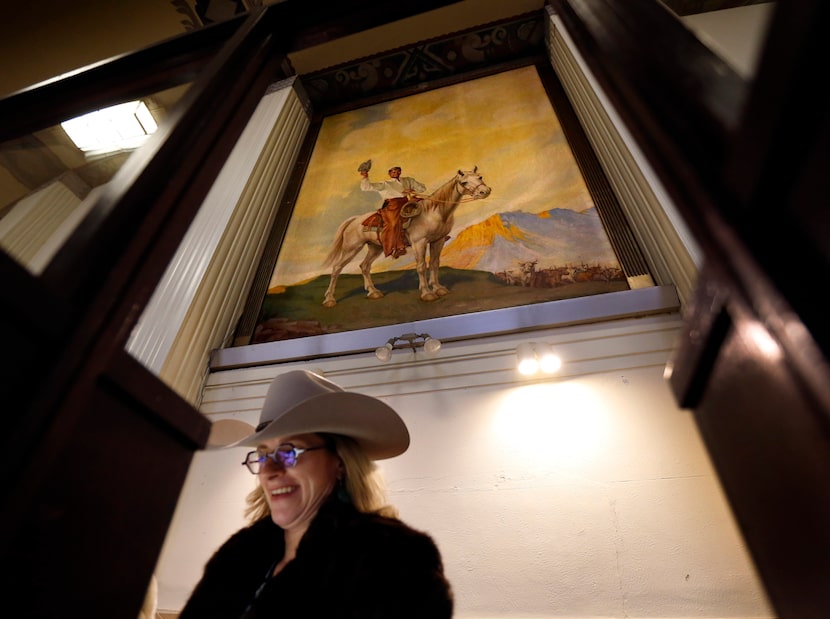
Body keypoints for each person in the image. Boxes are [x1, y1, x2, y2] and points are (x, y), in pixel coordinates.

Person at [180, 369, 453, 619]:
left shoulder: (392, 562)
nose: (269, 471)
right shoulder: (237, 559)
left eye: (289, 452)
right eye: (263, 456)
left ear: (341, 463)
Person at [360, 165, 426, 258]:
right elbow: (366, 187)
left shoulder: (408, 180)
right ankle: (395, 248)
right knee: (394, 223)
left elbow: (422, 188)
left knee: (425, 211)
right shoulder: (385, 184)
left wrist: (413, 189)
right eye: (394, 172)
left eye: (398, 171)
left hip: (406, 202)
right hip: (392, 206)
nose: (396, 173)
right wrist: (365, 177)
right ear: (389, 174)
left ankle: (435, 234)